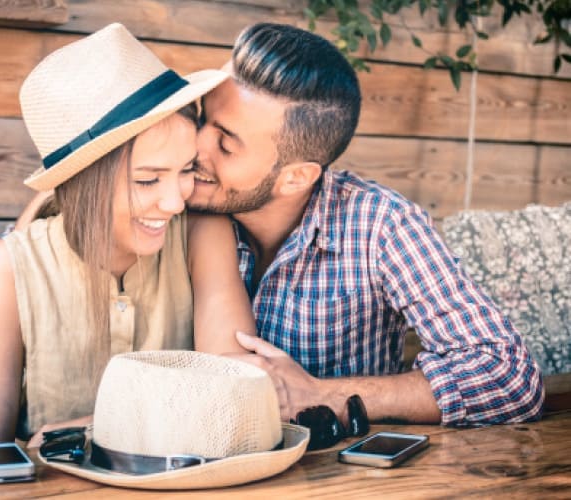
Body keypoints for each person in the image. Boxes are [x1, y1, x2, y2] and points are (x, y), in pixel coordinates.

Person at [0, 23, 256, 461]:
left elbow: (237, 393)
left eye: (186, 169)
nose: (174, 202)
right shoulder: (10, 267)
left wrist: (86, 428)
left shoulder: (203, 236)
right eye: (147, 179)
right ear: (84, 184)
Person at [187, 23, 544, 427]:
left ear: (296, 178)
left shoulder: (382, 226)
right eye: (202, 120)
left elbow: (510, 378)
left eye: (226, 145)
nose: (195, 147)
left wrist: (322, 395)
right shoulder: (171, 200)